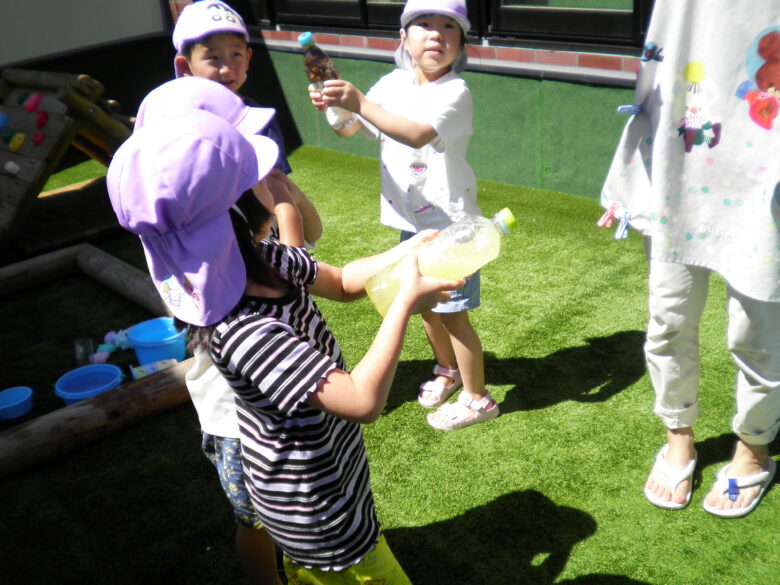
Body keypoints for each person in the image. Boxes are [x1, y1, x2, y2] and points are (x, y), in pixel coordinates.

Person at [107, 109, 461, 583]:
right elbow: (362, 401)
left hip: (333, 470)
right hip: (313, 509)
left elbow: (342, 281)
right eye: (257, 176)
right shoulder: (244, 330)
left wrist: (406, 251)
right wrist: (403, 304)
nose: (272, 179)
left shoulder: (261, 258)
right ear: (236, 212)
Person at [601, 0, 779, 518]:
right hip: (681, 158)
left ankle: (754, 448)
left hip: (765, 163)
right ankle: (677, 437)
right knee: (669, 317)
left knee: (757, 333)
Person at [309, 0, 500, 430]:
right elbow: (350, 128)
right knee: (426, 306)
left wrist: (357, 101)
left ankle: (479, 399)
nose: (435, 34)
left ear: (461, 43)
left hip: (451, 228)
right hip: (412, 226)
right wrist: (336, 105)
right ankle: (448, 370)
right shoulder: (390, 84)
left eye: (448, 27)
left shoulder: (455, 92)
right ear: (403, 37)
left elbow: (416, 134)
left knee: (453, 315)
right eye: (424, 24)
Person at [134, 76, 295, 585]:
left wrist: (280, 197)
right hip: (241, 427)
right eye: (250, 168)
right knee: (261, 523)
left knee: (270, 524)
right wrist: (280, 204)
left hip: (252, 416)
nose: (265, 175)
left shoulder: (189, 247)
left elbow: (302, 245)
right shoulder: (239, 288)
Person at [172, 0, 323, 246]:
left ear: (248, 57)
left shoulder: (259, 119)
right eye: (212, 57)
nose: (226, 68)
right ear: (184, 65)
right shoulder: (181, 126)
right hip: (218, 245)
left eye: (236, 54)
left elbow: (281, 191)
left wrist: (291, 236)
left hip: (269, 245)